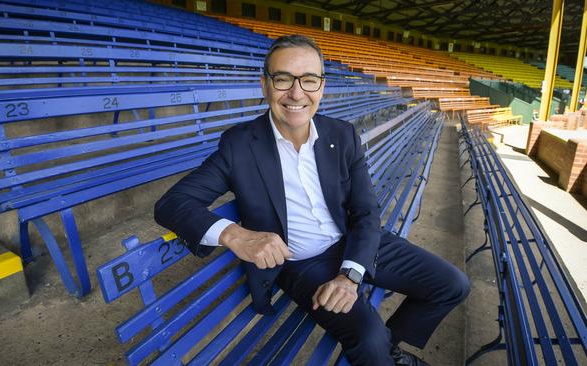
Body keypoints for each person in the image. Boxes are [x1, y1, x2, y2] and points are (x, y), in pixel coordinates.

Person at [155, 34, 470, 366]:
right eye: (283, 79)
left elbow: (365, 211)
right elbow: (172, 203)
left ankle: (391, 352)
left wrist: (350, 274)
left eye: (308, 80)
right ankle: (384, 355)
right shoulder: (240, 145)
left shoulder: (341, 134)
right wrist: (235, 234)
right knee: (368, 338)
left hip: (354, 242)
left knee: (452, 284)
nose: (296, 93)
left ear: (322, 86)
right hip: (304, 264)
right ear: (264, 85)